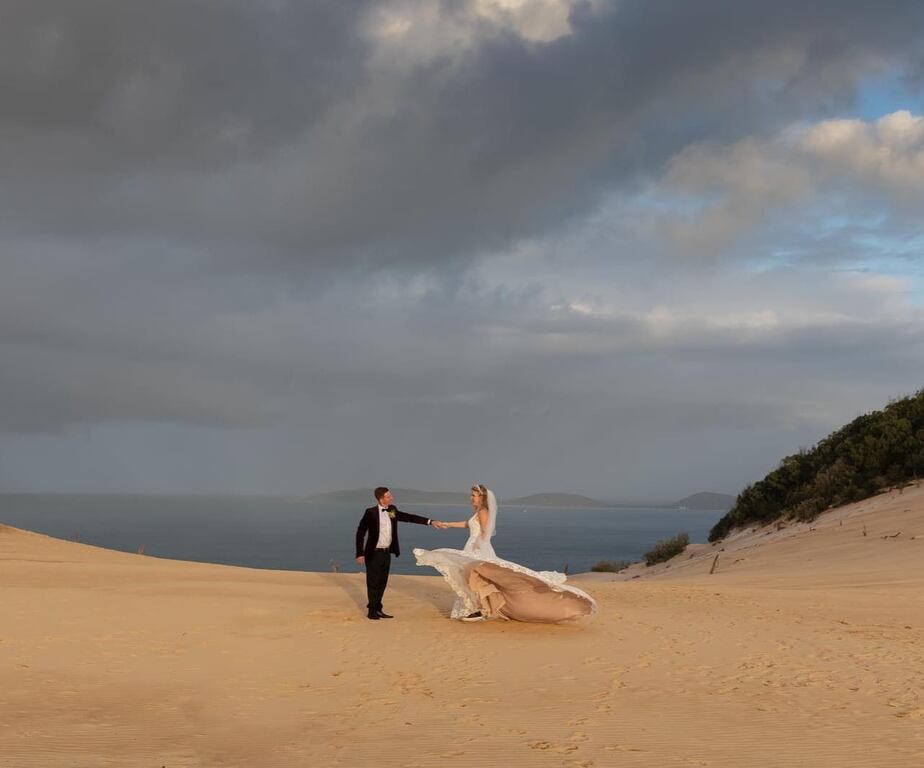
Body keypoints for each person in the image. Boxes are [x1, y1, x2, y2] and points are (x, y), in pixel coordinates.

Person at [414, 485, 596, 622]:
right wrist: (447, 524)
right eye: (471, 495)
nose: (471, 498)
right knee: (469, 577)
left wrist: (477, 546)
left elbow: (484, 532)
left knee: (477, 577)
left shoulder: (484, 511)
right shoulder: (478, 512)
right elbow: (467, 524)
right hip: (473, 546)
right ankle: (478, 608)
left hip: (478, 547)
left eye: (474, 495)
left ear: (482, 498)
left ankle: (481, 609)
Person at [355, 487, 443, 621]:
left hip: (386, 552)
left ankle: (378, 609)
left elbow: (408, 517)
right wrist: (359, 553)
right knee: (373, 582)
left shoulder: (391, 510)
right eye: (389, 496)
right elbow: (361, 532)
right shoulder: (370, 513)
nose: (392, 498)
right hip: (373, 553)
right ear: (381, 499)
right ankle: (372, 611)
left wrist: (430, 522)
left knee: (382, 582)